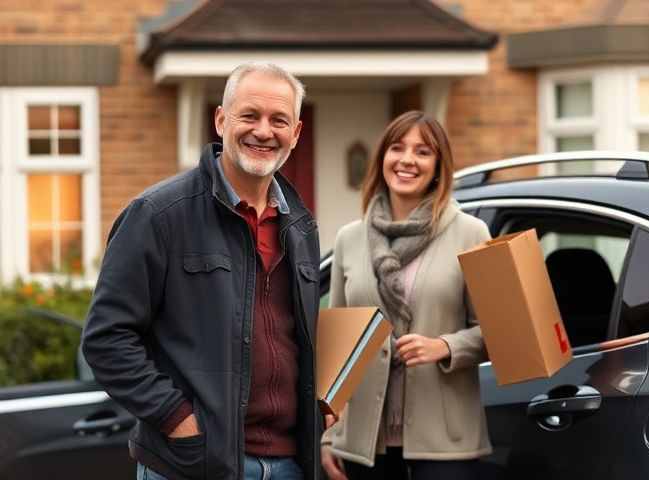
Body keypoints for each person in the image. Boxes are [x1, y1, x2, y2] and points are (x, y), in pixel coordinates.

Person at [82, 62, 327, 480]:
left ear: (296, 133)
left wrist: (319, 402)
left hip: (289, 466)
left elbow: (293, 339)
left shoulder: (300, 225)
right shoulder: (158, 215)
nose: (264, 131)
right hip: (191, 466)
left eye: (278, 120)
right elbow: (107, 338)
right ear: (221, 120)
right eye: (249, 115)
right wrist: (179, 420)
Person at [321, 111, 492, 480]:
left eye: (423, 152)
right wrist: (330, 436)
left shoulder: (471, 233)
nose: (407, 160)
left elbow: (501, 333)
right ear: (382, 157)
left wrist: (446, 346)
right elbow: (339, 352)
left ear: (438, 167)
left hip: (446, 442)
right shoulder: (349, 239)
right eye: (397, 148)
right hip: (365, 443)